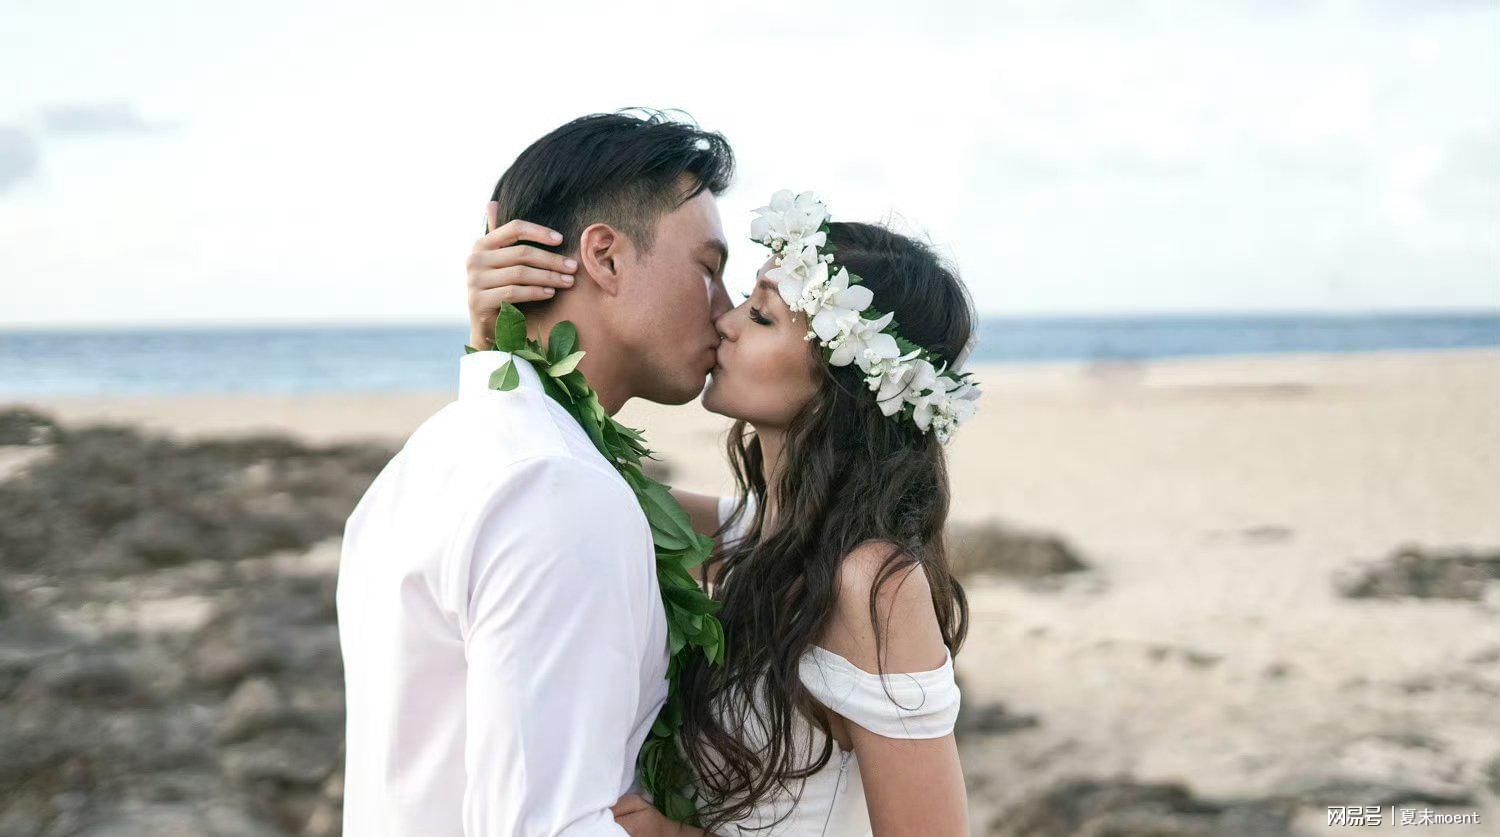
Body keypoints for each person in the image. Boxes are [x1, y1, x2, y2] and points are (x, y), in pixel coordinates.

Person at [467, 184, 979, 835]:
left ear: (841, 381)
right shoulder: (755, 534)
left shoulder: (874, 582)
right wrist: (500, 336)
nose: (726, 322)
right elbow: (567, 477)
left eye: (760, 316)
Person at [336, 109, 736, 835]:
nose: (727, 311)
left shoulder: (426, 462)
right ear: (605, 258)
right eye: (708, 270)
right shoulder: (557, 486)